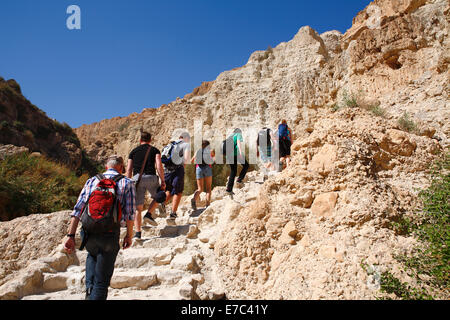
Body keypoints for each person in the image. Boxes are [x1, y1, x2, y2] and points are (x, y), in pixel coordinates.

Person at [63, 155, 135, 300]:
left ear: (106, 167)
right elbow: (130, 214)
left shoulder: (92, 180)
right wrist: (129, 235)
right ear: (121, 168)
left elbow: (78, 209)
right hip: (109, 233)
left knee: (92, 255)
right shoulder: (127, 182)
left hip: (89, 232)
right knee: (102, 282)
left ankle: (89, 292)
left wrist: (70, 235)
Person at [126, 131, 166, 239]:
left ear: (140, 140)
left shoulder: (133, 152)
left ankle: (138, 233)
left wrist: (127, 182)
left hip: (137, 179)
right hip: (151, 177)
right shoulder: (154, 150)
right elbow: (158, 165)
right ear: (150, 140)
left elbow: (129, 169)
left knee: (138, 208)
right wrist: (162, 180)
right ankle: (149, 214)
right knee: (160, 196)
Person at [161, 132, 191, 223]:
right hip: (177, 170)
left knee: (169, 190)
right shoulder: (185, 145)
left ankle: (162, 203)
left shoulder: (171, 144)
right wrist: (182, 168)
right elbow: (186, 159)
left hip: (167, 171)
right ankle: (173, 214)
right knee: (178, 191)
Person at [191, 140, 215, 210]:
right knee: (208, 188)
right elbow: (213, 158)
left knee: (200, 189)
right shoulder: (210, 151)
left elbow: (192, 161)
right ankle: (207, 204)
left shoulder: (197, 151)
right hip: (208, 168)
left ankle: (194, 200)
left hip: (199, 168)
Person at [226, 128, 249, 195]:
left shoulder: (230, 136)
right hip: (236, 154)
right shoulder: (238, 134)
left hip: (229, 155)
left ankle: (229, 189)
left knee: (233, 171)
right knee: (246, 165)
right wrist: (241, 152)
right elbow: (238, 143)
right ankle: (239, 179)